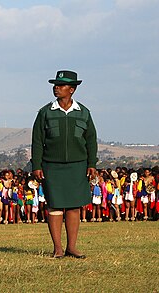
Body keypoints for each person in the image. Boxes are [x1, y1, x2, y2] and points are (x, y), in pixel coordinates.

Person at [31, 70, 98, 259]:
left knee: (75, 206)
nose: (56, 88)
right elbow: (37, 140)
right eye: (55, 85)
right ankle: (58, 249)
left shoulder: (84, 113)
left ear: (72, 89)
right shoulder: (45, 112)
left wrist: (91, 163)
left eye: (60, 86)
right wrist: (37, 165)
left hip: (78, 166)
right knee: (55, 206)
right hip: (52, 166)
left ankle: (72, 247)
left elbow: (91, 140)